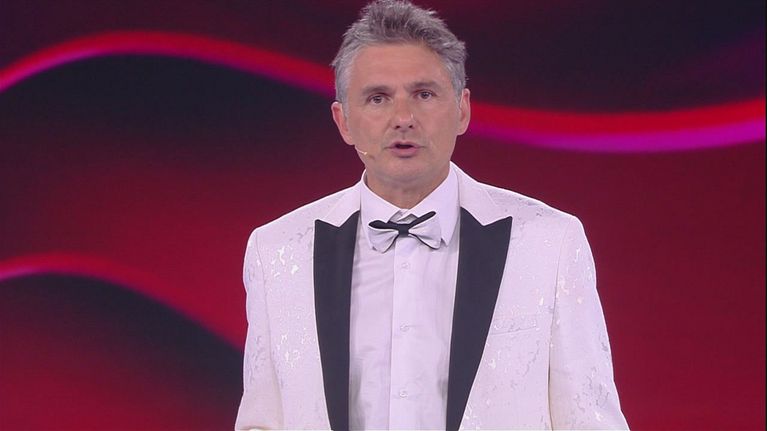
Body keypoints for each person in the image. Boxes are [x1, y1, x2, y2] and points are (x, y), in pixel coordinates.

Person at [235, 1, 629, 429]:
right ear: (343, 121)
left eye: (424, 94)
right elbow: (260, 422)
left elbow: (591, 421)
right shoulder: (276, 253)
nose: (403, 118)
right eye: (378, 98)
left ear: (462, 110)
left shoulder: (550, 243)